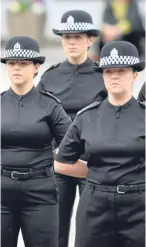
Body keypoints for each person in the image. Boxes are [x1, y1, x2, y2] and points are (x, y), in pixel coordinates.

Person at [54, 40, 145, 247]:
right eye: (108, 71)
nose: (114, 76)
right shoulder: (86, 117)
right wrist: (97, 172)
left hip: (138, 206)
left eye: (121, 70)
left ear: (134, 75)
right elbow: (61, 162)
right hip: (95, 205)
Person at [37, 9, 107, 247]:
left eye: (78, 36)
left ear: (90, 40)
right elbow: (40, 120)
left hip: (93, 165)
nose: (72, 42)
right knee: (56, 231)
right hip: (59, 165)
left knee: (91, 232)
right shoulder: (50, 77)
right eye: (67, 37)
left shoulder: (104, 76)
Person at [1, 36, 71, 247]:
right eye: (11, 63)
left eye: (23, 63)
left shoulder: (49, 105)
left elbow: (71, 143)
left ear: (36, 67)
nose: (16, 68)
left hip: (40, 192)